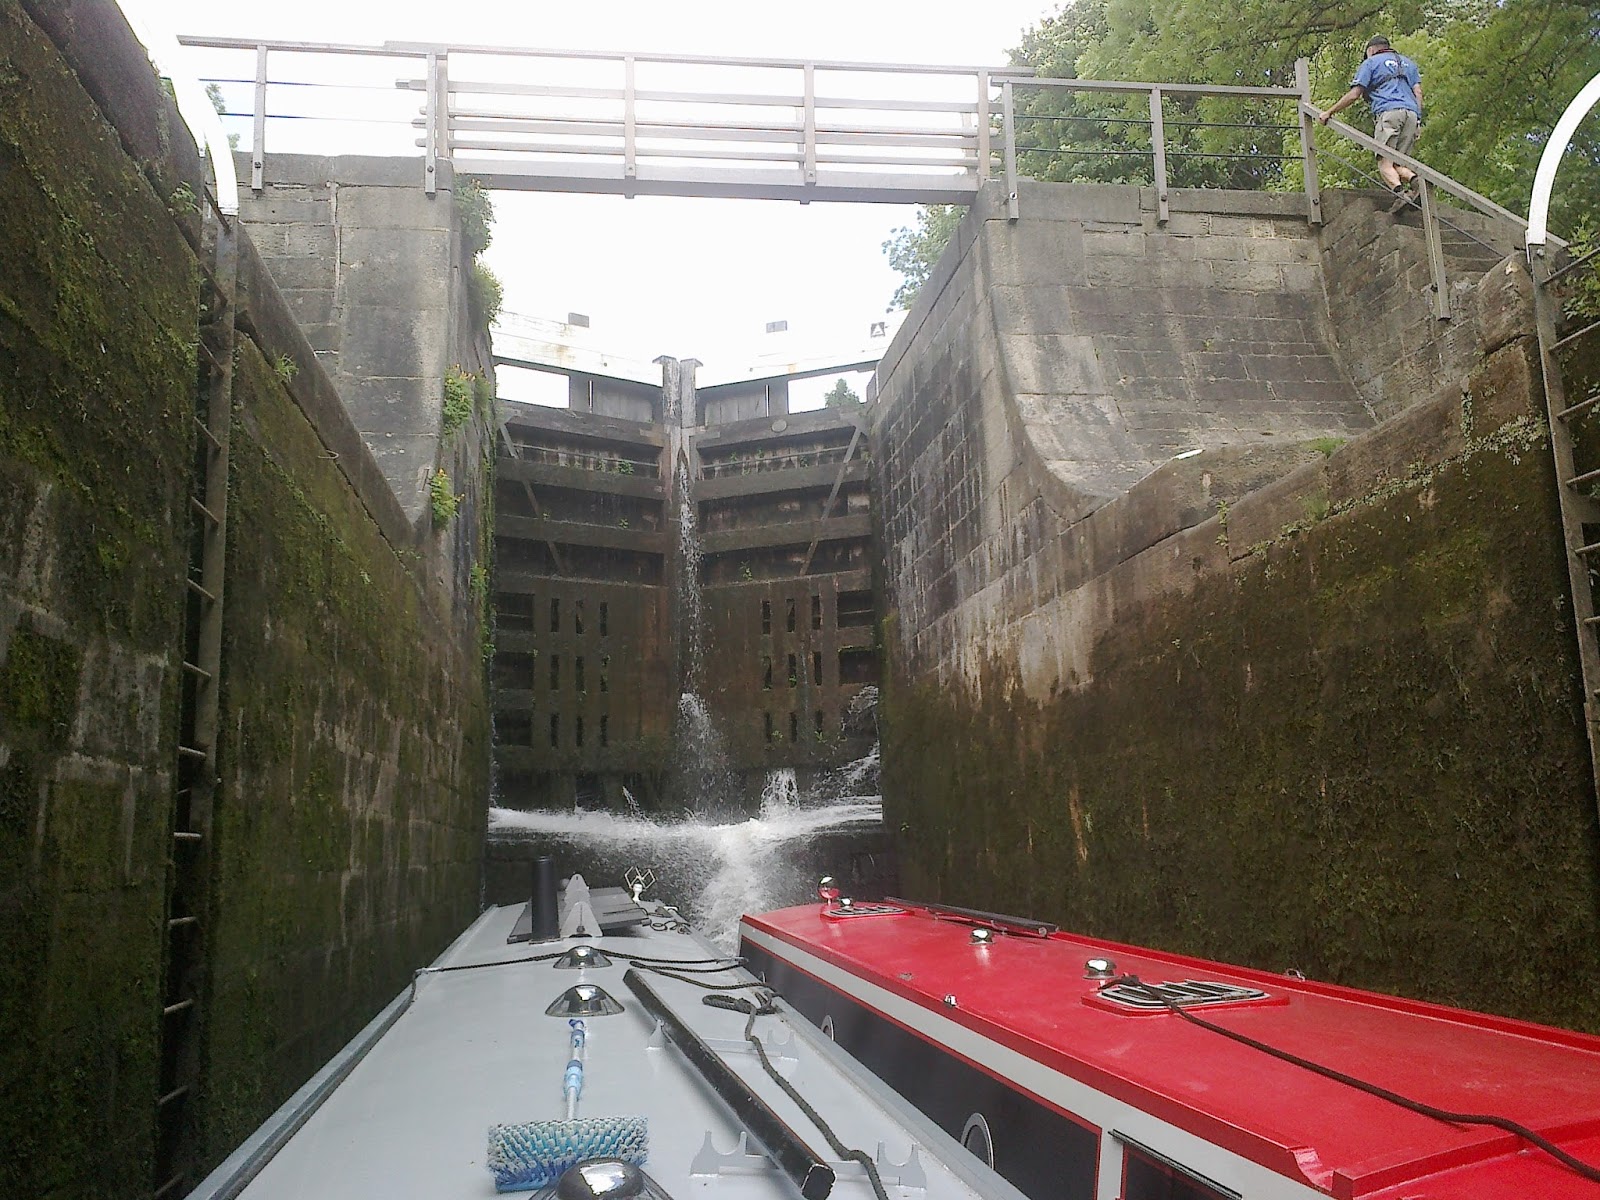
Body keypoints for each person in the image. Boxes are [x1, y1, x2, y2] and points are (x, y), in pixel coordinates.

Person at [1319, 35, 1424, 201]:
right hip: (1411, 114)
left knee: (1384, 163)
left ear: (1371, 50)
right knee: (1398, 163)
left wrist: (1329, 112)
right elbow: (1418, 92)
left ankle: (1401, 196)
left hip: (1389, 112)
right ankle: (1416, 183)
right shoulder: (1408, 63)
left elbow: (1354, 94)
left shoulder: (1371, 63)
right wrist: (1418, 120)